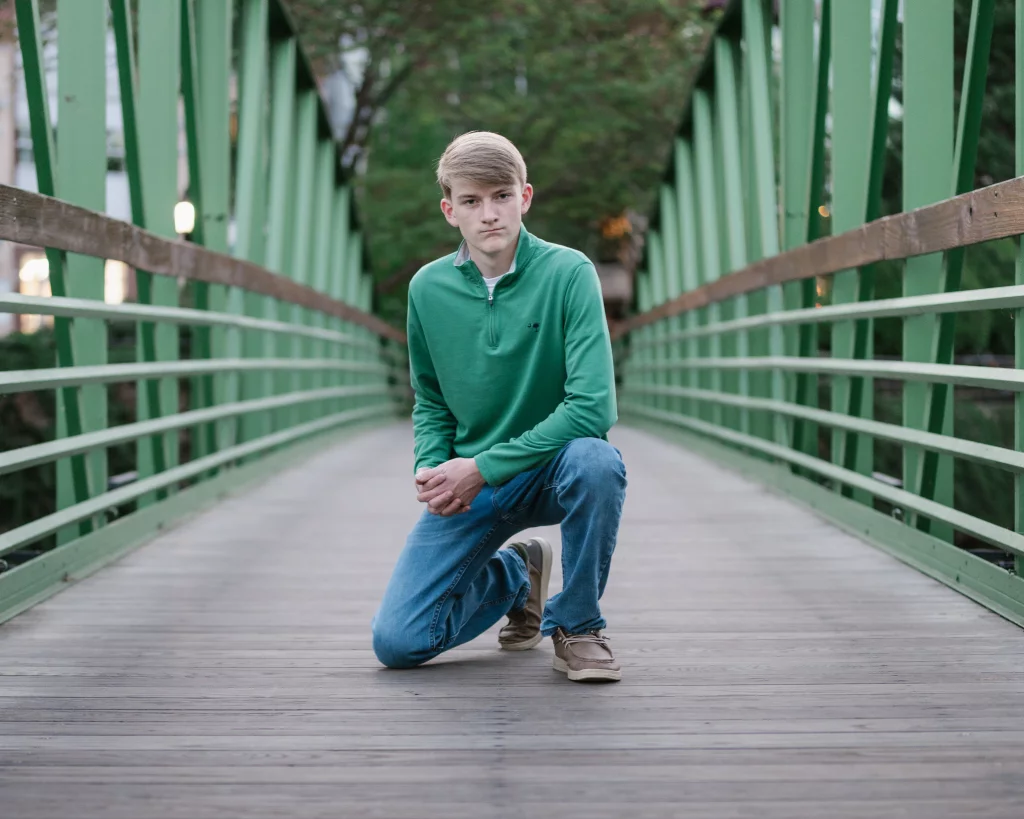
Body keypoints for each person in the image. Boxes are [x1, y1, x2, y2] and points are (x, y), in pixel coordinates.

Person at [370, 131, 627, 682]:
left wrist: (482, 466)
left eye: (501, 196)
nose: (489, 214)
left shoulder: (569, 273)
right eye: (471, 201)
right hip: (472, 486)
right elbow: (431, 397)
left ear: (525, 197)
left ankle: (578, 626)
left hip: (549, 470)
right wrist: (433, 464)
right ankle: (515, 574)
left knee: (597, 461)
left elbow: (592, 409)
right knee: (398, 643)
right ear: (449, 210)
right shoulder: (427, 289)